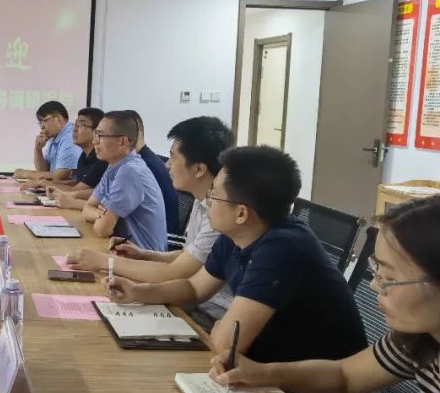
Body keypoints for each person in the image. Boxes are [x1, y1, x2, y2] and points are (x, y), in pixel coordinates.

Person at [209, 195, 440, 393]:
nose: (375, 286)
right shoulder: (425, 340)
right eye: (376, 271)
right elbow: (345, 375)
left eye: (389, 278)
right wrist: (260, 373)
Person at [105, 145, 367, 365]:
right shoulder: (238, 234)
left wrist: (222, 328)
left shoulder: (282, 250)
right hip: (262, 368)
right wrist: (138, 292)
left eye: (214, 195)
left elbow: (224, 344)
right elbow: (194, 288)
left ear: (241, 213)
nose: (208, 201)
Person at [69, 116, 232, 286]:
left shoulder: (220, 213)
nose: (167, 165)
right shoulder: (202, 201)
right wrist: (143, 254)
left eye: (173, 158)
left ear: (198, 169)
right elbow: (187, 255)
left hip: (195, 296)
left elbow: (176, 272)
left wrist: (104, 261)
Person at [81, 111, 167, 250]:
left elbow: (102, 230)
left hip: (142, 257)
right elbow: (87, 208)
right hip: (121, 249)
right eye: (96, 134)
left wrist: (103, 218)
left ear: (122, 141)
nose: (94, 141)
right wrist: (100, 214)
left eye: (100, 136)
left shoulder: (130, 171)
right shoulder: (114, 166)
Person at [24, 108, 107, 210]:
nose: (74, 129)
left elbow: (76, 190)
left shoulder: (102, 159)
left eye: (80, 125)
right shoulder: (84, 155)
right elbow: (78, 182)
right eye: (75, 125)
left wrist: (42, 183)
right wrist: (51, 183)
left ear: (97, 131)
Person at [130, 110, 180, 235]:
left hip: (153, 238)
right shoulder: (132, 162)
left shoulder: (145, 166)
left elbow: (111, 212)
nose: (167, 165)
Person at [13, 101, 82, 181]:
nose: (42, 126)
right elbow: (43, 170)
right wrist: (38, 149)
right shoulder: (54, 137)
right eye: (40, 122)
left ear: (58, 119)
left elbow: (60, 177)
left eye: (44, 121)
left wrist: (25, 174)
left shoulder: (70, 138)